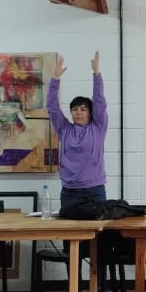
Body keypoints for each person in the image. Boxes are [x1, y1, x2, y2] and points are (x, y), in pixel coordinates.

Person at [47, 52, 109, 211]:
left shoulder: (98, 127)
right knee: (69, 227)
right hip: (70, 192)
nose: (78, 112)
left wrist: (96, 74)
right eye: (74, 109)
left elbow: (99, 101)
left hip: (95, 191)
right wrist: (55, 79)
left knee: (98, 227)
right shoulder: (64, 129)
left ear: (90, 112)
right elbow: (52, 107)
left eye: (83, 109)